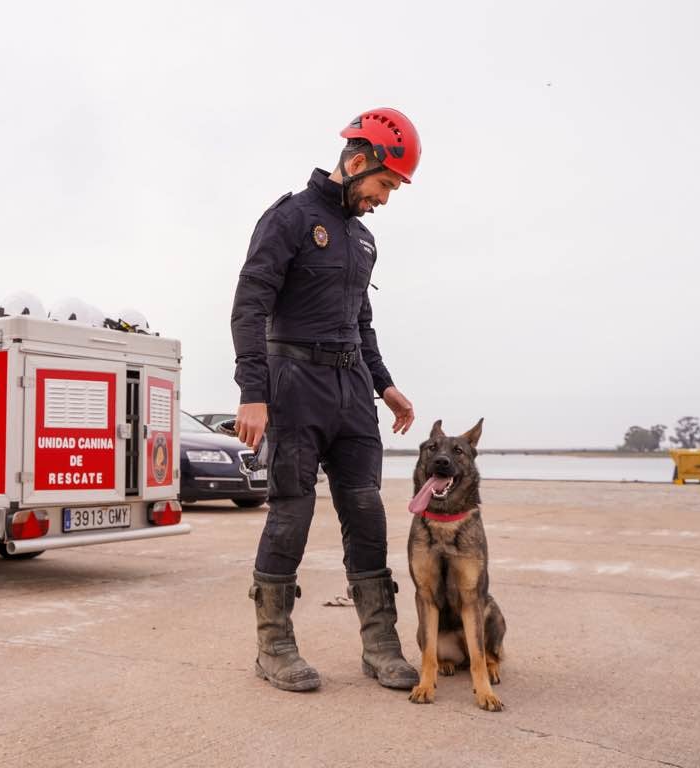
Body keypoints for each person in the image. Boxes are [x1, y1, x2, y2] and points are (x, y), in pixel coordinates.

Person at [231, 108, 421, 692]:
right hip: (294, 385)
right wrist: (254, 393)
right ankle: (274, 646)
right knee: (292, 512)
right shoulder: (289, 218)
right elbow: (250, 304)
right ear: (357, 162)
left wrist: (384, 386)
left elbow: (361, 322)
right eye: (385, 185)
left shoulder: (363, 239)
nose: (385, 199)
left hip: (352, 391)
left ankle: (380, 644)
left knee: (366, 511)